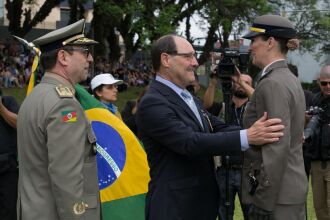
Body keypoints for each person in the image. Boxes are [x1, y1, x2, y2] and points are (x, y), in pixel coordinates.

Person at [135, 34, 285, 220]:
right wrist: (248, 137)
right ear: (166, 59)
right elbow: (189, 142)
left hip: (200, 205)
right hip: (174, 207)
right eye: (188, 56)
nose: (195, 62)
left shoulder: (187, 97)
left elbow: (219, 127)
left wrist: (258, 132)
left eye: (194, 56)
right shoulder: (153, 102)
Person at [16, 19, 101, 220]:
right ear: (63, 57)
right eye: (84, 52)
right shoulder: (64, 104)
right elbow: (67, 180)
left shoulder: (36, 96)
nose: (89, 59)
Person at [241, 14, 308, 220]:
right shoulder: (287, 77)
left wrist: (264, 200)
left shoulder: (273, 82)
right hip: (287, 190)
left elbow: (277, 146)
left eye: (254, 41)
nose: (250, 46)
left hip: (277, 196)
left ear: (270, 42)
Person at [204, 73, 253, 220]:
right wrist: (213, 81)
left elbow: (263, 100)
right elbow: (207, 105)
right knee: (223, 213)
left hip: (247, 170)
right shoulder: (224, 107)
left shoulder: (254, 109)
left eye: (245, 82)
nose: (240, 84)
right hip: (224, 170)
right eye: (237, 81)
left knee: (251, 212)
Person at [305, 65, 330, 220]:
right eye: (324, 83)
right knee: (319, 207)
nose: (328, 86)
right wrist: (305, 119)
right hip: (316, 162)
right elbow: (309, 126)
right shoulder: (315, 99)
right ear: (319, 82)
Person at [0, 88, 19, 220]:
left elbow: (20, 123)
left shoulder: (8, 102)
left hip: (8, 169)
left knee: (9, 211)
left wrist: (1, 108)